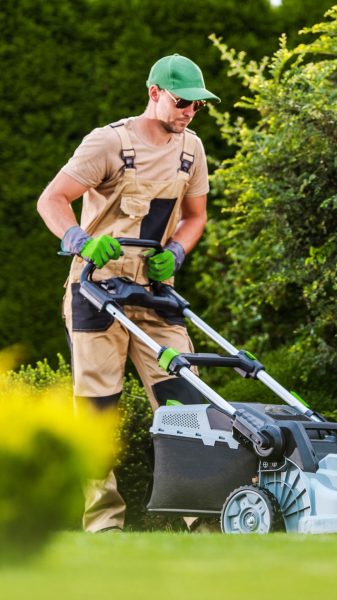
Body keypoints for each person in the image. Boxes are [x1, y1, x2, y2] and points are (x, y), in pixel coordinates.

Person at [37, 54, 220, 533]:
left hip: (155, 292)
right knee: (98, 409)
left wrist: (176, 253)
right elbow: (51, 199)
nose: (188, 114)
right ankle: (104, 526)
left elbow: (195, 216)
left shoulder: (191, 149)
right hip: (96, 289)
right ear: (155, 92)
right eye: (182, 103)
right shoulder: (109, 143)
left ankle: (200, 519)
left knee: (185, 402)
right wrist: (79, 240)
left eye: (196, 107)